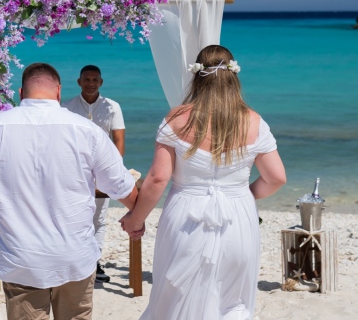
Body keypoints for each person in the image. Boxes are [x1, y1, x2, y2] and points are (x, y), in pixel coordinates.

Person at [120, 45, 286, 320]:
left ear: (196, 76)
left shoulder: (175, 119)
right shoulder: (254, 121)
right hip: (238, 217)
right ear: (234, 75)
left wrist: (136, 220)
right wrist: (242, 195)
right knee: (232, 302)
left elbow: (158, 179)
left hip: (186, 216)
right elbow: (277, 178)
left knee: (176, 298)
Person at [0, 63, 138, 320]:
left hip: (20, 254)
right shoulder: (87, 131)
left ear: (21, 93)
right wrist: (137, 215)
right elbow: (121, 187)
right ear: (58, 92)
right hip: (74, 254)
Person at [62, 64, 125, 283]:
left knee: (99, 218)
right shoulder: (67, 107)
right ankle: (75, 261)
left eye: (94, 80)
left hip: (102, 169)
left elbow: (118, 140)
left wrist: (114, 170)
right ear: (79, 82)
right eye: (86, 79)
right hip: (73, 170)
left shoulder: (113, 107)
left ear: (101, 82)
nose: (90, 83)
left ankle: (95, 262)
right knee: (74, 215)